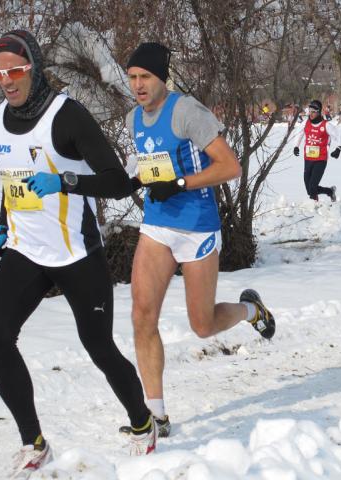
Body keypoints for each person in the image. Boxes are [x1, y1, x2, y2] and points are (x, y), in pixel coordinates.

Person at [0, 30, 156, 476]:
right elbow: (12, 181)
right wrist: (2, 225)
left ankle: (142, 424)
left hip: (75, 252)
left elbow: (118, 182)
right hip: (25, 249)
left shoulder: (67, 117)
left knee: (97, 345)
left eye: (16, 70)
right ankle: (34, 442)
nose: (7, 80)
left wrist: (66, 181)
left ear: (35, 68)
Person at [123, 42, 275, 437]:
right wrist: (131, 176)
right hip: (157, 225)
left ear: (162, 78)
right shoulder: (133, 119)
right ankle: (156, 414)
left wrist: (180, 183)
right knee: (142, 316)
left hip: (198, 227)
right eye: (133, 78)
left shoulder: (187, 112)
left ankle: (250, 311)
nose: (138, 85)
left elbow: (230, 166)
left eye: (146, 78)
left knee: (202, 325)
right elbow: (143, 161)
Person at [292, 99, 341, 202]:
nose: (310, 114)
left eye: (313, 112)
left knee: (312, 187)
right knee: (309, 189)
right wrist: (296, 146)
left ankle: (314, 205)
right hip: (308, 159)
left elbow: (340, 137)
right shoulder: (306, 123)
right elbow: (299, 134)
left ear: (319, 111)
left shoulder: (326, 125)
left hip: (321, 159)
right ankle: (329, 191)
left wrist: (338, 149)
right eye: (309, 111)